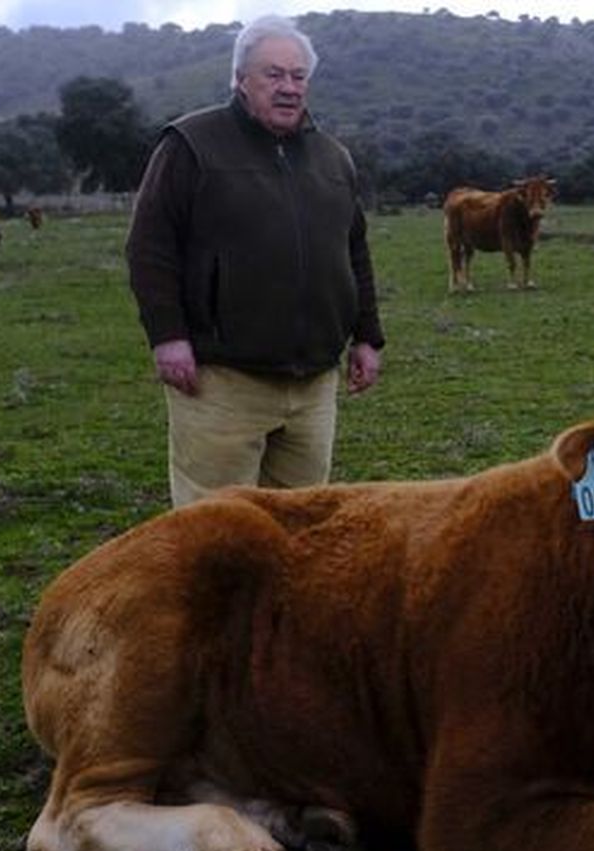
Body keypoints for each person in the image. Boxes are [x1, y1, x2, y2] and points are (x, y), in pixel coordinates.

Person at [126, 14, 384, 507]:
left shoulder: (333, 158)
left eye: (298, 76)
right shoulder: (191, 144)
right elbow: (149, 246)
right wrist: (168, 336)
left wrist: (368, 337)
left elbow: (353, 252)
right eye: (273, 74)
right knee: (215, 533)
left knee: (303, 529)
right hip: (221, 380)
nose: (288, 87)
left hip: (313, 385)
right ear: (241, 79)